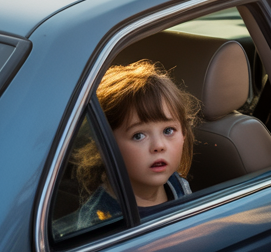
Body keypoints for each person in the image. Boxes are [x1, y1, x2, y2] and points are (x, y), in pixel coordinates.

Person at [60, 60, 198, 233]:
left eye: (168, 130)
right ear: (106, 145)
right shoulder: (99, 222)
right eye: (138, 135)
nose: (159, 146)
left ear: (184, 134)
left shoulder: (176, 184)